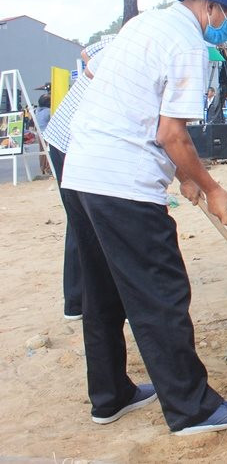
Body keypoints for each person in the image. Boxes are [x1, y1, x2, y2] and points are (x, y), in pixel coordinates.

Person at [59, 0, 227, 434]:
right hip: (123, 181)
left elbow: (141, 109)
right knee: (161, 293)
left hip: (83, 172)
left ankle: (110, 395)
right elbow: (172, 132)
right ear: (209, 6)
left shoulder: (145, 23)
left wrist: (183, 179)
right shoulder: (188, 42)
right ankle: (193, 408)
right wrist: (211, 187)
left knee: (102, 293)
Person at [42, 35, 115, 320]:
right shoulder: (122, 43)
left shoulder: (124, 41)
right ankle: (82, 300)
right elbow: (87, 59)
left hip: (73, 136)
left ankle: (78, 301)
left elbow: (88, 59)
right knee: (91, 219)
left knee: (82, 221)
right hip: (71, 139)